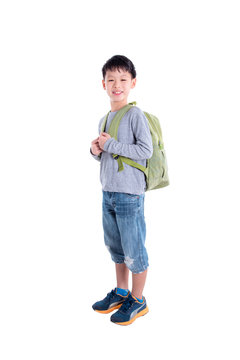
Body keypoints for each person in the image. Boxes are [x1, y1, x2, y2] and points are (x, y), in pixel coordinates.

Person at [90, 55, 153, 325]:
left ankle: (138, 300)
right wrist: (95, 150)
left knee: (134, 250)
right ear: (103, 83)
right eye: (111, 80)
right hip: (109, 193)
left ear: (133, 83)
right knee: (116, 248)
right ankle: (121, 292)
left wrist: (112, 144)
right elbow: (108, 153)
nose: (117, 85)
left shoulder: (135, 115)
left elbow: (145, 151)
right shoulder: (105, 117)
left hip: (129, 195)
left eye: (123, 80)